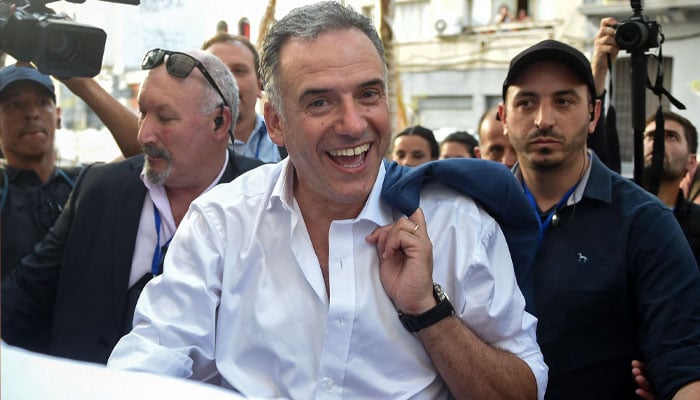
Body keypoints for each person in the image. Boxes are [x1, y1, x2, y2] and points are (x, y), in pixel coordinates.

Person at [108, 3, 548, 399]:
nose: (354, 124)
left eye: (368, 95)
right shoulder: (221, 223)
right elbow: (150, 360)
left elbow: (522, 389)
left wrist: (428, 311)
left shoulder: (457, 226)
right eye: (320, 102)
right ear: (276, 124)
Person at [1, 49, 263, 363]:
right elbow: (23, 296)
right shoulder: (99, 188)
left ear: (220, 122)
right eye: (142, 113)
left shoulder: (263, 201)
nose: (143, 134)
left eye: (164, 117)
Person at [499, 38, 700, 399]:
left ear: (593, 115)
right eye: (526, 102)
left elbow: (682, 357)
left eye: (564, 101)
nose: (544, 120)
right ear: (503, 116)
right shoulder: (475, 213)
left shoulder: (645, 222)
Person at [0, 65, 141, 280]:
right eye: (15, 104)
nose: (31, 113)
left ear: (58, 116)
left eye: (42, 102)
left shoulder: (85, 183)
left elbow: (147, 152)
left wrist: (80, 82)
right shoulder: (4, 189)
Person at [201, 32, 284, 163]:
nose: (228, 82)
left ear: (259, 84)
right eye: (215, 72)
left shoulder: (290, 140)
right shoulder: (186, 151)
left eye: (239, 71)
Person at [643, 110, 700, 264]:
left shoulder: (697, 223)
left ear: (691, 162)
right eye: (651, 136)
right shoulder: (613, 206)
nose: (658, 142)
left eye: (671, 136)